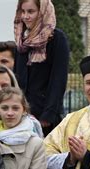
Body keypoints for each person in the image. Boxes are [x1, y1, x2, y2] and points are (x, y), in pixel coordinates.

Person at [14, 0, 69, 135]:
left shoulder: (56, 38)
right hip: (21, 115)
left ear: (42, 12)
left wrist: (48, 116)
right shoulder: (21, 40)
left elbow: (58, 78)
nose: (25, 16)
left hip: (44, 117)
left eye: (31, 12)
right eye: (23, 11)